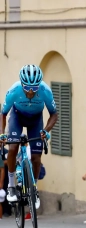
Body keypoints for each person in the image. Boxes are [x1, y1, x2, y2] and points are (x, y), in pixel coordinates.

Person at [0, 64, 58, 211]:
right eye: (27, 88)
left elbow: (54, 114)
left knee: (36, 158)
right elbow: (3, 114)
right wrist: (2, 133)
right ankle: (11, 185)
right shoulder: (14, 90)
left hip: (36, 120)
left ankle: (34, 188)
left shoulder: (45, 91)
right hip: (17, 117)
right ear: (22, 84)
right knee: (13, 148)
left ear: (39, 85)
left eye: (34, 88)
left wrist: (46, 130)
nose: (31, 91)